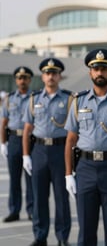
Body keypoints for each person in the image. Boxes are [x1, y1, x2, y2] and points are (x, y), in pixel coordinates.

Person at [64, 49, 107, 246]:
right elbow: (70, 140)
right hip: (85, 168)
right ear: (90, 72)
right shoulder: (78, 101)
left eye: (104, 68)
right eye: (96, 69)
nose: (100, 73)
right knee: (86, 227)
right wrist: (68, 174)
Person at [22, 58, 73, 246]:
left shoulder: (69, 99)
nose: (51, 76)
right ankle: (40, 236)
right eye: (47, 73)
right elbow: (27, 129)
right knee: (39, 196)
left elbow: (74, 132)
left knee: (61, 197)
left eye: (54, 73)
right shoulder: (34, 99)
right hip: (40, 151)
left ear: (59, 76)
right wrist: (26, 155)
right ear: (43, 77)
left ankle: (62, 237)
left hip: (60, 150)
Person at [1, 66, 34, 222]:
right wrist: (3, 143)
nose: (22, 81)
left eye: (25, 78)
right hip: (14, 139)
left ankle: (32, 210)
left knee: (31, 178)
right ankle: (14, 210)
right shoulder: (9, 98)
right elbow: (4, 123)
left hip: (31, 141)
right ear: (16, 80)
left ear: (29, 80)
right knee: (14, 178)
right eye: (19, 78)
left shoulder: (35, 98)